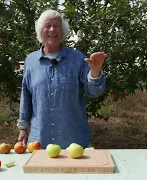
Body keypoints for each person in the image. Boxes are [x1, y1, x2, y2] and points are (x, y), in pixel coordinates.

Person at [17, 9, 108, 149]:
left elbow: (94, 92)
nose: (52, 29)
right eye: (48, 26)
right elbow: (26, 94)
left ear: (63, 31)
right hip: (39, 140)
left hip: (73, 140)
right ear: (40, 31)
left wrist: (95, 71)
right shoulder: (31, 61)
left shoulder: (77, 58)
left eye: (57, 25)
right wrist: (23, 127)